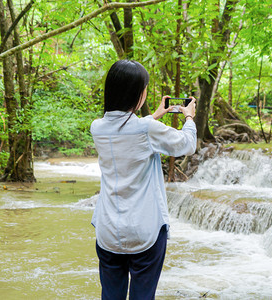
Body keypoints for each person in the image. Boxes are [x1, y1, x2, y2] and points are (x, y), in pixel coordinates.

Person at [90, 59, 197, 300]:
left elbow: (129, 129)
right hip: (144, 232)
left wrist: (157, 114)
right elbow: (187, 145)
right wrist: (189, 118)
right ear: (136, 93)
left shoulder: (97, 128)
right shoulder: (146, 130)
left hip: (108, 231)